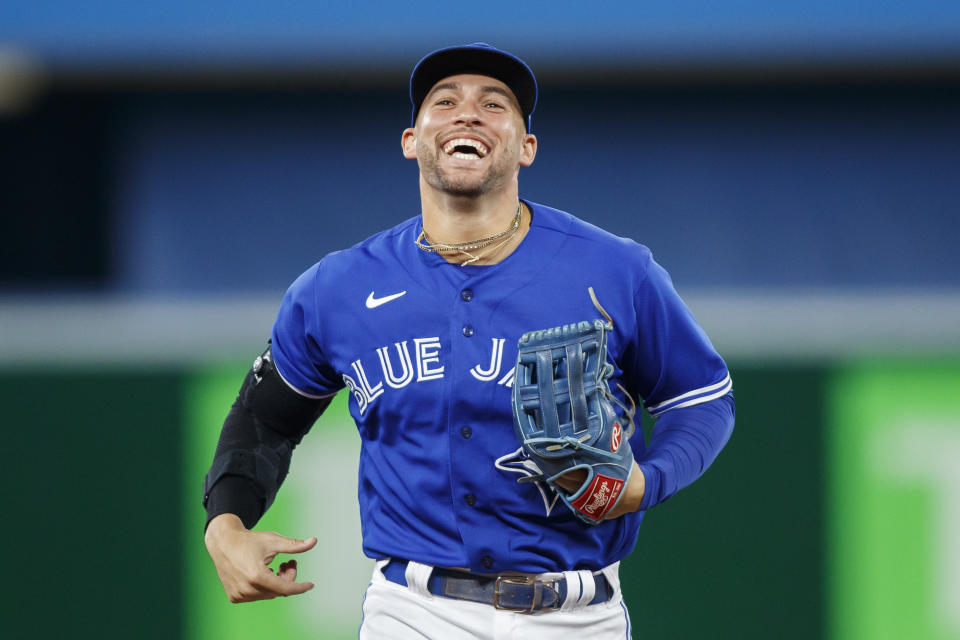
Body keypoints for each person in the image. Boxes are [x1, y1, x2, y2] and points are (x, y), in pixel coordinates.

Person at [202, 42, 735, 638]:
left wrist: (648, 481)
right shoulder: (339, 287)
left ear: (526, 148)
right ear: (412, 139)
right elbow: (265, 420)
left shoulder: (615, 271)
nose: (468, 113)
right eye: (445, 101)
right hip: (413, 612)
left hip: (578, 615)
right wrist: (225, 524)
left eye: (495, 104)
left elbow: (701, 398)